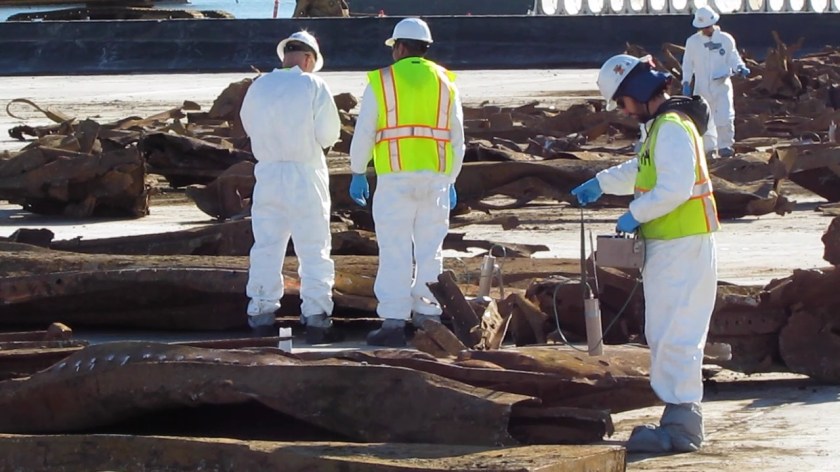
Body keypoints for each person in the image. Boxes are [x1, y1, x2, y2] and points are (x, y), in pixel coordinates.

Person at [571, 54, 720, 453]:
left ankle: (683, 426)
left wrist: (634, 214)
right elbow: (642, 170)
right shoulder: (660, 128)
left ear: (635, 92)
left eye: (621, 101)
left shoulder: (670, 128)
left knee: (676, 333)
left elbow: (674, 188)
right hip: (673, 243)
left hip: (681, 243)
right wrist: (601, 183)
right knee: (666, 330)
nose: (622, 110)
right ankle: (678, 417)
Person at [348, 17, 465, 347]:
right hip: (436, 180)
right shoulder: (446, 82)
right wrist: (452, 178)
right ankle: (428, 317)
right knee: (431, 251)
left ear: (399, 47)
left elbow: (365, 132)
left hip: (395, 179)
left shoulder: (382, 81)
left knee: (395, 250)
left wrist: (358, 170)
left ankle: (394, 322)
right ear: (425, 49)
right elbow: (458, 138)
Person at [239, 30, 342, 344]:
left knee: (267, 247)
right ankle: (316, 316)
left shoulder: (259, 86)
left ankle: (260, 312)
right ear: (309, 59)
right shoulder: (312, 85)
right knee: (314, 249)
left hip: (268, 174)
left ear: (285, 55)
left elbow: (247, 125)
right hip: (304, 174)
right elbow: (328, 135)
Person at [681, 5, 749, 159]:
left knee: (725, 116)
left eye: (707, 27)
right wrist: (686, 82)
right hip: (702, 87)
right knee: (705, 119)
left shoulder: (725, 39)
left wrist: (740, 67)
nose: (706, 30)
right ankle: (708, 149)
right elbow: (687, 64)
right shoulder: (693, 42)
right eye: (703, 27)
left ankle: (725, 146)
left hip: (721, 85)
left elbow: (733, 56)